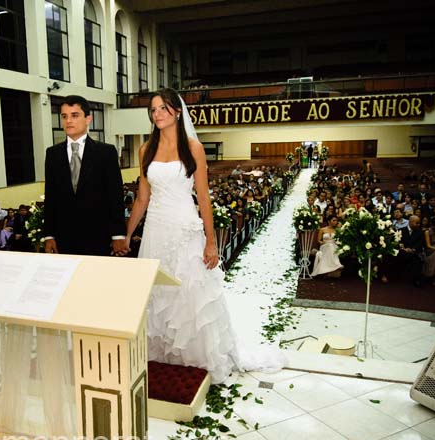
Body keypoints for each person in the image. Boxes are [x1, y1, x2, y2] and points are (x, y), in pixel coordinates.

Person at [123, 88, 286, 383]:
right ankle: (162, 356)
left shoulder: (193, 148)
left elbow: (204, 198)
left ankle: (197, 358)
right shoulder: (145, 150)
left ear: (176, 111)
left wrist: (211, 242)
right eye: (153, 109)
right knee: (159, 295)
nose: (157, 114)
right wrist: (126, 235)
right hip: (156, 231)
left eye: (162, 108)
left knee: (190, 293)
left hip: (186, 228)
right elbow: (142, 199)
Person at [44, 95, 127, 256]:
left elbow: (115, 196)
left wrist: (118, 234)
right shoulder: (53, 154)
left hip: (98, 237)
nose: (68, 121)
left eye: (74, 115)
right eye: (64, 116)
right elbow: (51, 197)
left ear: (88, 119)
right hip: (64, 238)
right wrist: (49, 235)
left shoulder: (106, 152)